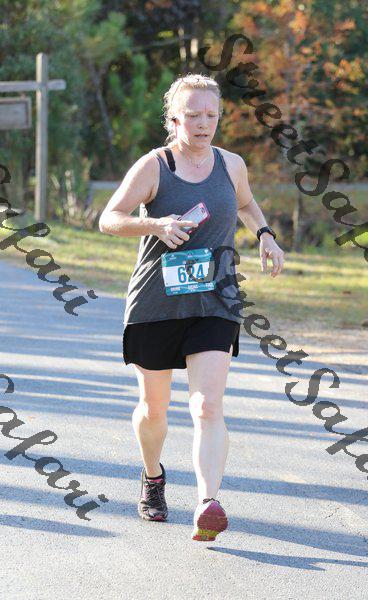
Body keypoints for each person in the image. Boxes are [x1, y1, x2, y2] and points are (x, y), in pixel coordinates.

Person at [99, 73, 285, 542]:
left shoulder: (231, 164)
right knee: (153, 410)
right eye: (193, 115)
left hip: (215, 299)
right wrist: (156, 225)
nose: (203, 123)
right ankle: (153, 475)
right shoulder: (154, 166)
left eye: (211, 114)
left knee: (207, 404)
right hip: (156, 302)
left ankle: (207, 503)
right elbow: (109, 218)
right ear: (174, 119)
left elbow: (247, 204)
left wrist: (265, 235)